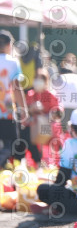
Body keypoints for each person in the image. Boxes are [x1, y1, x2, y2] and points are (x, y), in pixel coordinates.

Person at [0, 29, 29, 166]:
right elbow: (17, 88)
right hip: (7, 111)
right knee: (9, 143)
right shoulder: (12, 63)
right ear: (8, 45)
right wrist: (23, 109)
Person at [25, 71, 61, 167]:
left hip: (48, 124)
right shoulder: (30, 94)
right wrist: (31, 109)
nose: (38, 82)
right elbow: (25, 111)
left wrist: (47, 114)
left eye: (41, 79)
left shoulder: (51, 94)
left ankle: (49, 162)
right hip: (33, 126)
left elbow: (58, 111)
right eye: (36, 79)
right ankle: (34, 162)